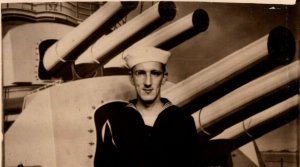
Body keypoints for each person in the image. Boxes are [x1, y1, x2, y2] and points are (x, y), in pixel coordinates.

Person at [95, 46, 199, 167]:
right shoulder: (115, 122)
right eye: (140, 73)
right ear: (132, 78)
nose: (148, 82)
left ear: (164, 78)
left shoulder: (182, 121)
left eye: (155, 73)